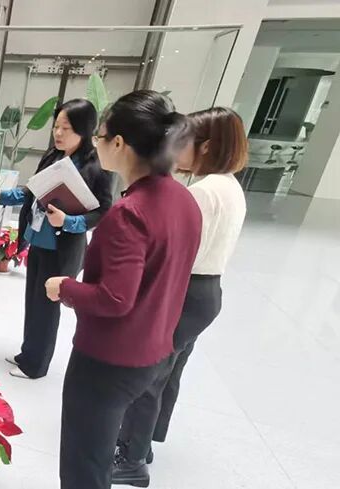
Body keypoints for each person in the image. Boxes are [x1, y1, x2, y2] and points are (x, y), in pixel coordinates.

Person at [43, 90, 202, 489]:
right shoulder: (183, 200)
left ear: (118, 143)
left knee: (84, 465)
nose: (97, 144)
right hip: (153, 351)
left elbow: (115, 298)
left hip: (108, 360)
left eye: (100, 136)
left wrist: (65, 287)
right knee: (95, 458)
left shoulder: (129, 214)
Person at [112, 107, 248, 486]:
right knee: (169, 371)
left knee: (149, 375)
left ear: (205, 146)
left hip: (186, 290)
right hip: (207, 291)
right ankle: (143, 443)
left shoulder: (203, 192)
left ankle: (132, 461)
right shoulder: (228, 185)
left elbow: (176, 253)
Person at [0, 98, 113, 379]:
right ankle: (28, 353)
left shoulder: (97, 167)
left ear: (84, 129)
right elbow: (33, 190)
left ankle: (37, 366)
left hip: (61, 248)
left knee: (47, 307)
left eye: (66, 128)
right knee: (32, 301)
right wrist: (1, 195)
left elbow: (103, 210)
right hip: (38, 239)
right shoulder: (53, 156)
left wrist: (70, 222)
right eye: (56, 126)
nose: (58, 133)